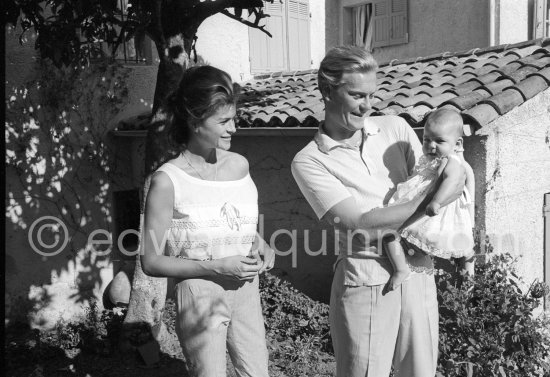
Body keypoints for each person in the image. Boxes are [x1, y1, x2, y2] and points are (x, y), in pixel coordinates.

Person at [291, 46, 463, 377]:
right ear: (327, 91)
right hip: (367, 276)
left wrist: (436, 194)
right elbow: (360, 226)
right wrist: (424, 204)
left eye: (371, 95)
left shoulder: (396, 129)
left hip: (417, 267)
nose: (368, 105)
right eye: (357, 95)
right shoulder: (310, 161)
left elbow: (437, 175)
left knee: (420, 371)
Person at [140, 65, 274, 377]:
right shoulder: (167, 181)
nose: (234, 129)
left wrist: (262, 246)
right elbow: (151, 261)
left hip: (246, 289)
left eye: (234, 119)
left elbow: (242, 229)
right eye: (224, 121)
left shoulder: (240, 166)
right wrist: (216, 266)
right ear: (193, 121)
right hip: (200, 293)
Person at [384, 108, 476, 290]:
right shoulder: (430, 159)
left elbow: (451, 181)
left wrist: (436, 201)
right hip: (421, 210)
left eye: (439, 141)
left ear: (457, 144)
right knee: (389, 234)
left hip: (433, 215)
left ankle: (402, 269)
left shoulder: (453, 161)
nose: (431, 145)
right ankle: (402, 268)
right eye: (426, 139)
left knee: (389, 234)